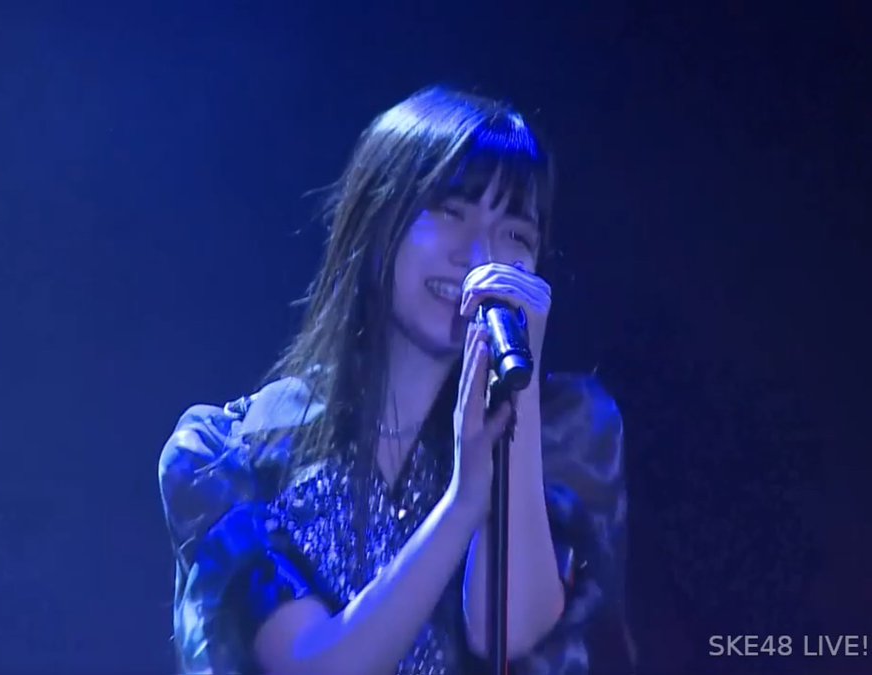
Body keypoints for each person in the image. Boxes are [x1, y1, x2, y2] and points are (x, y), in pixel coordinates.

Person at [158, 85, 633, 674]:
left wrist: (518, 404)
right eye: (451, 212)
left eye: (515, 235)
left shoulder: (562, 430)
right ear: (376, 222)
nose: (480, 256)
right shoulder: (223, 455)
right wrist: (461, 504)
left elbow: (505, 630)